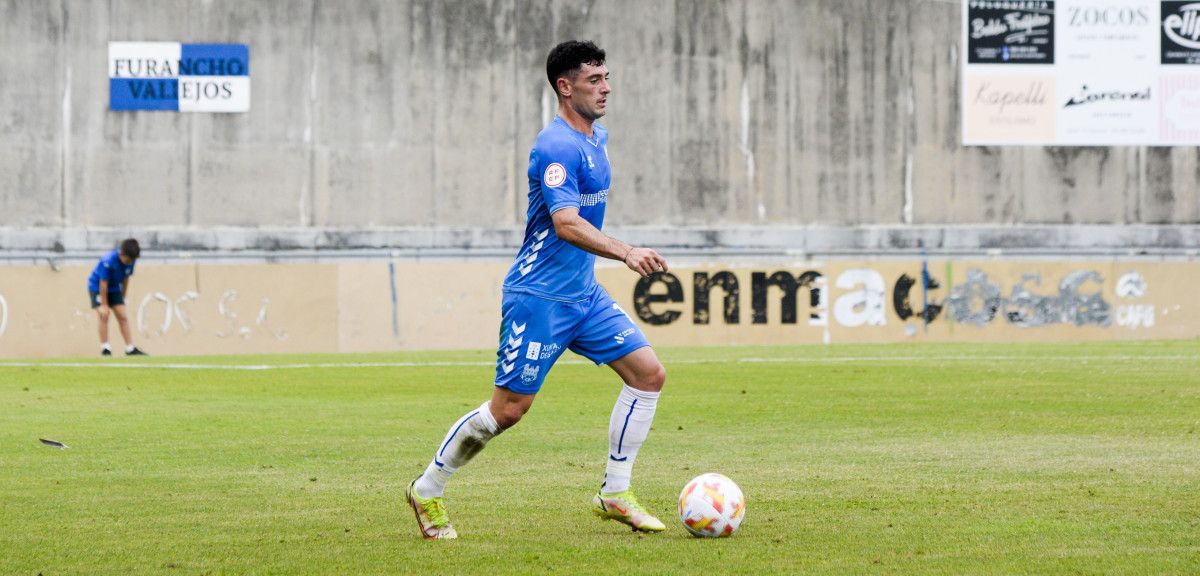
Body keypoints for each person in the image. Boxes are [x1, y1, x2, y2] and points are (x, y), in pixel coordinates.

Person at [405, 40, 671, 540]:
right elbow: (566, 223)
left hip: (583, 294)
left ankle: (614, 491)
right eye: (594, 80)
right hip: (539, 297)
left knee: (648, 375)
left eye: (607, 77)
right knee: (508, 411)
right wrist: (626, 251)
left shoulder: (596, 139)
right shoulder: (555, 146)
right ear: (564, 87)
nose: (606, 87)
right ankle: (428, 488)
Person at [87, 238, 147, 356]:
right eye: (128, 259)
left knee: (123, 316)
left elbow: (126, 278)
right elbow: (103, 283)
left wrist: (123, 297)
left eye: (132, 260)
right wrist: (104, 305)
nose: (130, 262)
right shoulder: (108, 261)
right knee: (104, 315)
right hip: (97, 287)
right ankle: (105, 348)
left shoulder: (131, 260)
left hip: (114, 288)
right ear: (121, 254)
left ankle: (130, 348)